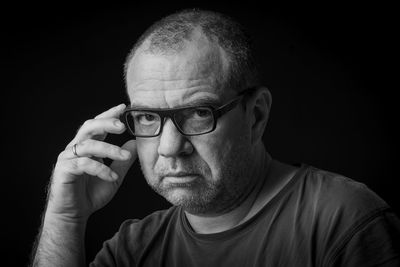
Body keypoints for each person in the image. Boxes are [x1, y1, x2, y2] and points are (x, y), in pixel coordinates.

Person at [31, 9, 400, 267]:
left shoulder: (344, 220)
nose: (169, 147)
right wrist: (65, 218)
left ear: (255, 115)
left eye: (196, 113)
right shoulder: (133, 248)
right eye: (147, 117)